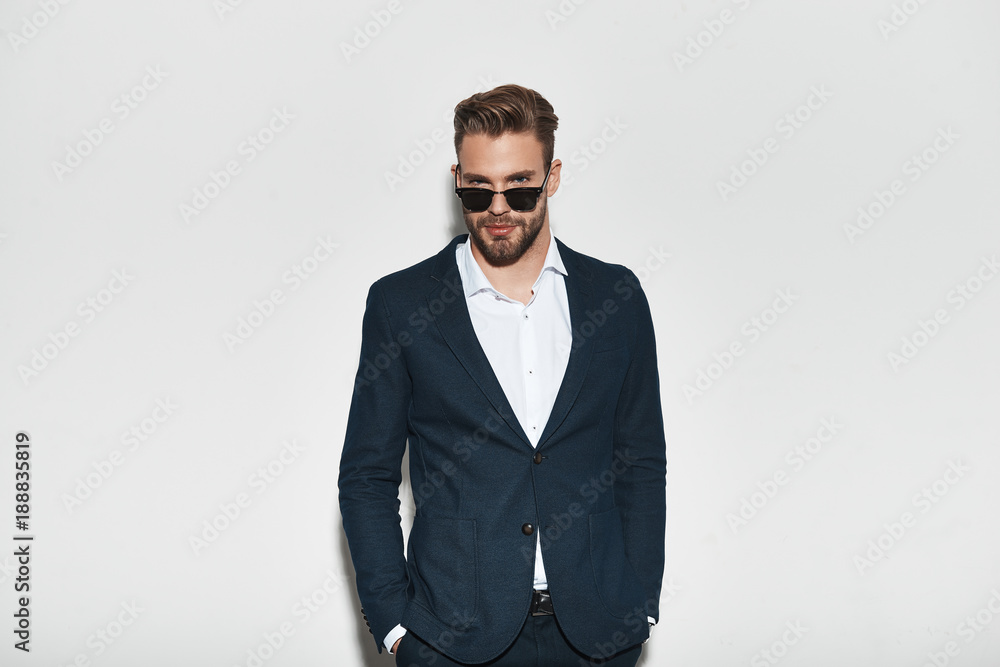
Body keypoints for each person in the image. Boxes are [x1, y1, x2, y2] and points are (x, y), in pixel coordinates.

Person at [338, 83, 666, 666]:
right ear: (456, 179)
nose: (497, 208)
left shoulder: (615, 297)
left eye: (519, 187)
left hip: (597, 636)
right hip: (451, 639)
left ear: (552, 177)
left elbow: (640, 460)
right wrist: (394, 625)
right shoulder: (401, 305)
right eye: (477, 188)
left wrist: (639, 607)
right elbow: (367, 475)